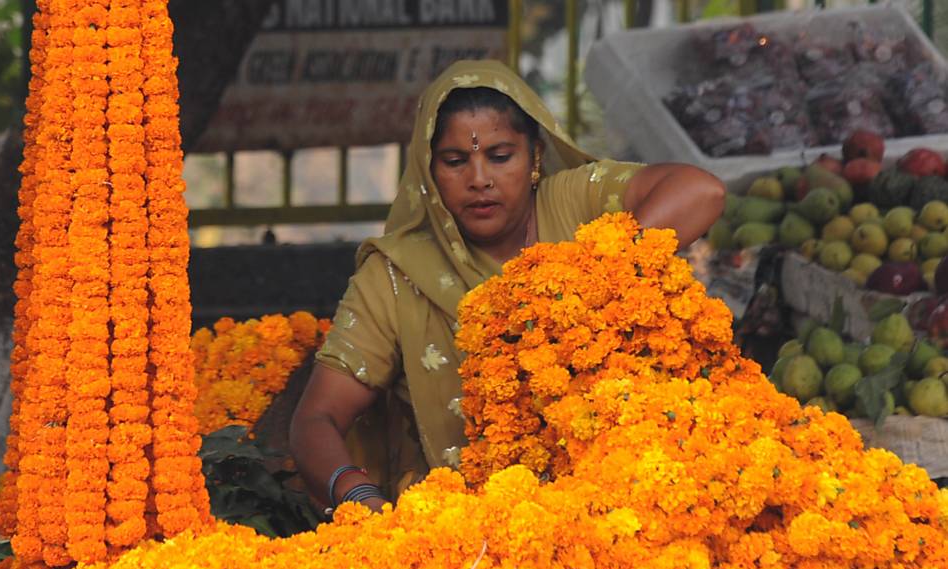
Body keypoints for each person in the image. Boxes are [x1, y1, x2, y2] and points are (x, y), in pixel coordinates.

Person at [289, 59, 725, 514]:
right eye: (456, 162)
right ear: (428, 170)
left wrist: (583, 283)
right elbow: (316, 419)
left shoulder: (572, 204)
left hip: (621, 504)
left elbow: (702, 192)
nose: (480, 180)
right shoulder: (396, 274)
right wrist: (359, 497)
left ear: (534, 156)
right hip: (464, 527)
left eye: (500, 157)